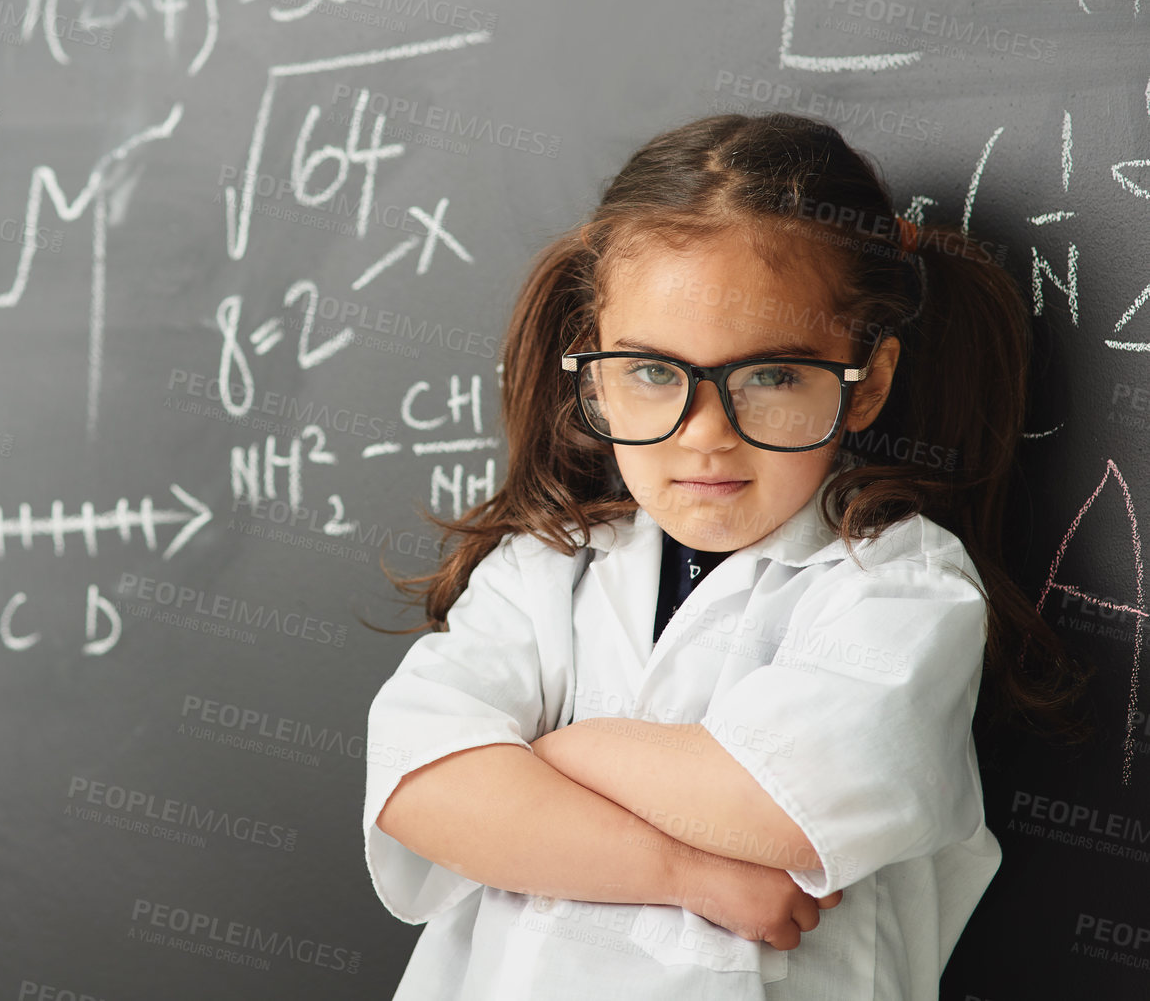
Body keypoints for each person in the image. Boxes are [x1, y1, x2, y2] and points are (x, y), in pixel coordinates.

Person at [361, 113, 1093, 999]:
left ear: (870, 381)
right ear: (593, 374)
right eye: (650, 371)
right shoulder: (541, 567)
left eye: (772, 376)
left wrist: (548, 753)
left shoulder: (900, 589)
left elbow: (771, 805)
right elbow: (421, 788)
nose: (705, 435)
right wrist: (690, 876)